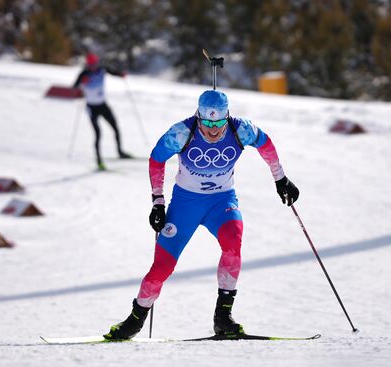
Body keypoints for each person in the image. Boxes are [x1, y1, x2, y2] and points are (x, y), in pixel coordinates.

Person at [103, 89, 299, 340]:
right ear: (198, 116)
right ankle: (134, 320)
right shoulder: (182, 132)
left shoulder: (241, 129)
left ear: (227, 117)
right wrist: (158, 202)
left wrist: (280, 179)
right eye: (207, 122)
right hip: (186, 204)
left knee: (233, 242)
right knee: (162, 266)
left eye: (218, 122)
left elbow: (266, 144)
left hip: (222, 201)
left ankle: (223, 318)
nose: (213, 129)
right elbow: (156, 159)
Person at [73, 53, 132, 171]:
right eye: (91, 64)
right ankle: (99, 162)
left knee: (115, 127)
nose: (93, 66)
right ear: (88, 65)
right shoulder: (84, 74)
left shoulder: (102, 70)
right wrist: (81, 83)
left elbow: (113, 72)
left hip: (103, 105)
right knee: (98, 134)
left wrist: (122, 75)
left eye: (95, 64)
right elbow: (74, 87)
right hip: (92, 108)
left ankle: (120, 152)